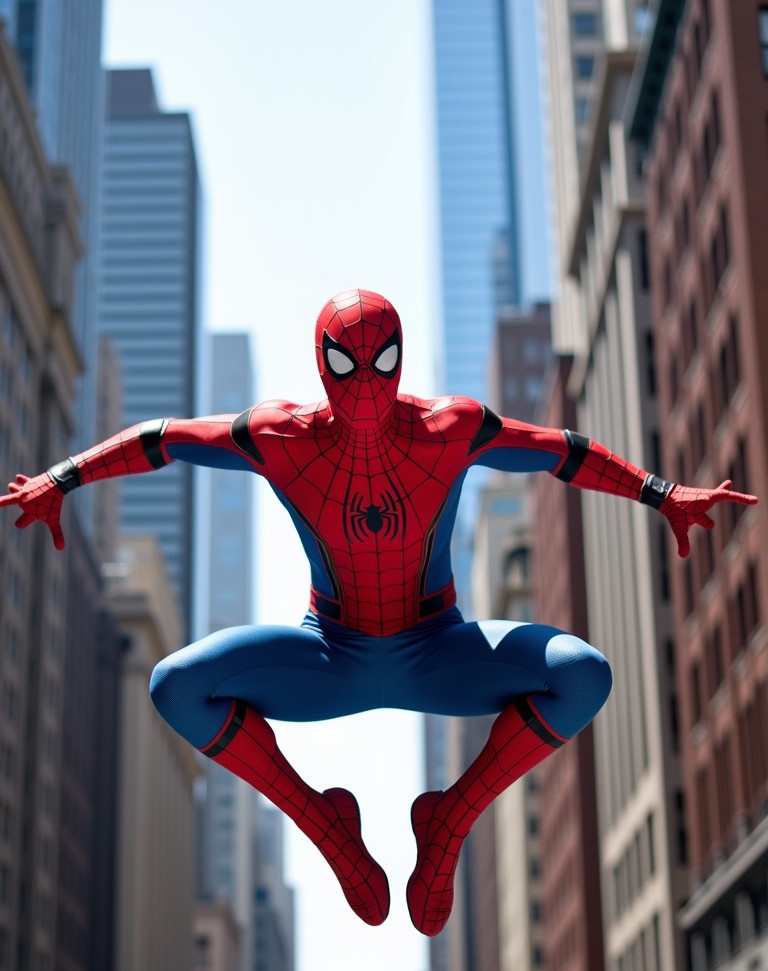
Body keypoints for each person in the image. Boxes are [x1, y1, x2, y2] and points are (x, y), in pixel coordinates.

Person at [0, 288, 756, 936]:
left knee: (585, 673)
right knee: (174, 683)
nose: (364, 383)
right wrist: (64, 479)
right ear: (319, 361)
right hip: (330, 652)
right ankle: (326, 823)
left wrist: (662, 493)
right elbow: (163, 438)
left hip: (440, 649)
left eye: (381, 362)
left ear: (402, 356)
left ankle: (448, 819)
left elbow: (560, 449)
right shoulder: (276, 435)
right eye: (344, 363)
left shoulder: (452, 428)